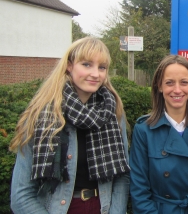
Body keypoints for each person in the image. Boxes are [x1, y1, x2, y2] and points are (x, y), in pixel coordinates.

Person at [10, 37, 130, 214]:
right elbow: (21, 196)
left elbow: (122, 176)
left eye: (102, 67)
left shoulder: (113, 114)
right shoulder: (41, 116)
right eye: (87, 64)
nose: (96, 74)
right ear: (69, 65)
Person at [130, 55, 188, 213]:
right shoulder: (144, 130)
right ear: (159, 86)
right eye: (169, 83)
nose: (177, 90)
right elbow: (139, 189)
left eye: (184, 82)